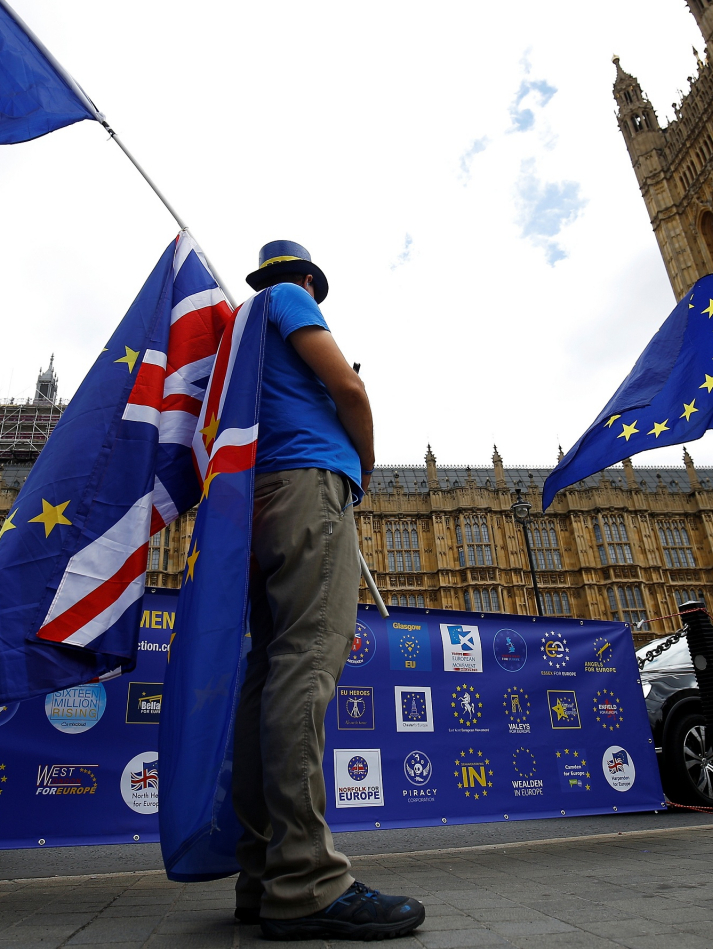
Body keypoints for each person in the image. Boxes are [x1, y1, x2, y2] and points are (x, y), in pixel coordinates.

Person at [232, 240, 424, 941]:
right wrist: (364, 464)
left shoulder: (240, 324)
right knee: (308, 663)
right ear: (310, 280)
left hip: (254, 498)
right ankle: (307, 879)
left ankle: (261, 874)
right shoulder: (289, 298)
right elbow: (350, 390)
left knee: (268, 673)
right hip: (309, 486)